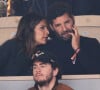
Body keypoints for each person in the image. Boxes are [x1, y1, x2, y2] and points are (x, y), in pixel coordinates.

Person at [43, 2, 100, 75]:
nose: (64, 29)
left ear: (73, 20)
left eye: (67, 22)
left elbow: (97, 74)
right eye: (58, 25)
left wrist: (77, 49)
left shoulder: (92, 43)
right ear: (51, 27)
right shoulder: (47, 48)